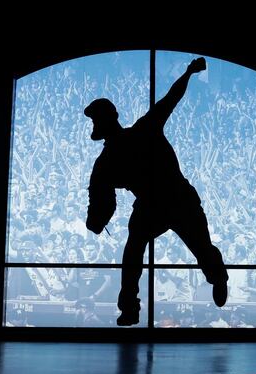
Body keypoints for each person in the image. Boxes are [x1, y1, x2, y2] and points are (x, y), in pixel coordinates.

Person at [83, 56, 228, 326]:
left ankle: (216, 276)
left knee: (200, 250)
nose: (95, 125)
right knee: (136, 252)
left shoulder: (115, 154)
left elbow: (171, 98)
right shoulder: (118, 152)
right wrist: (189, 73)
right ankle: (130, 306)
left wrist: (97, 220)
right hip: (163, 203)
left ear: (105, 122)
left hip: (173, 200)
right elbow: (101, 198)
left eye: (96, 120)